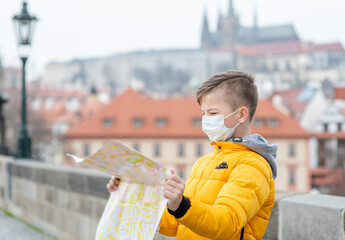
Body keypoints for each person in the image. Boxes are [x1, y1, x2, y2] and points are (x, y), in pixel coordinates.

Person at [107, 70, 277, 240]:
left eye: (212, 113)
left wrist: (181, 204)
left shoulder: (252, 166)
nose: (206, 119)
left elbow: (226, 223)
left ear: (241, 114)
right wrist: (131, 193)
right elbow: (176, 223)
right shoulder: (204, 162)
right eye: (203, 113)